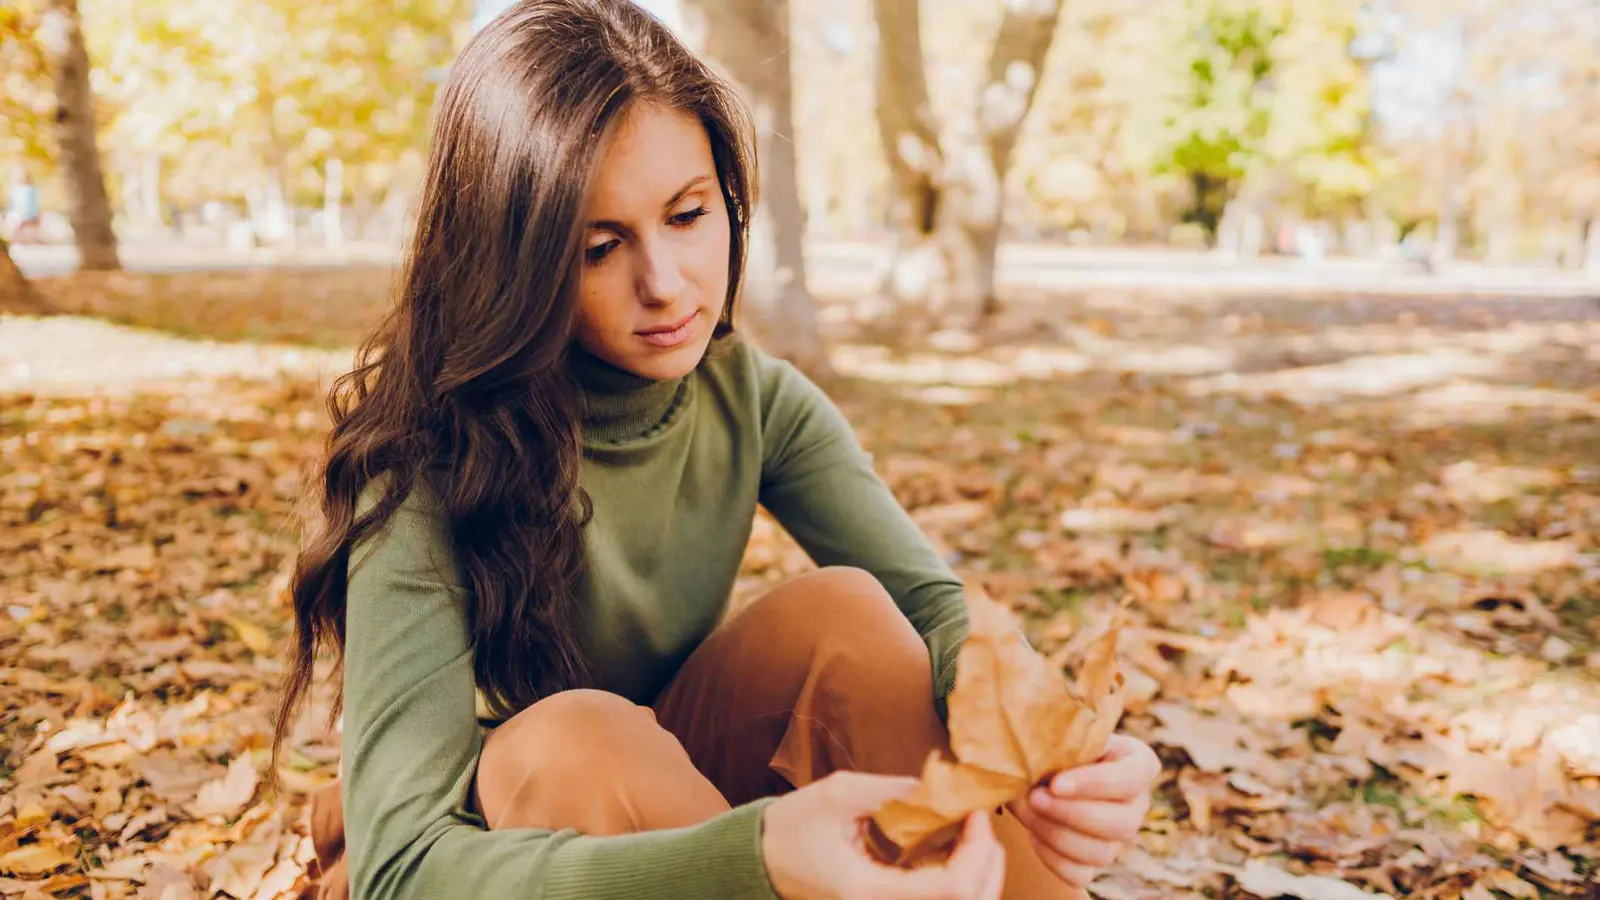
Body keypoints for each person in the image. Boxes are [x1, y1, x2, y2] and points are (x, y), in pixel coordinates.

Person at [271, 2, 1161, 899]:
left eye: (689, 215)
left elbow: (934, 612)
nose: (664, 284)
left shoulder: (751, 396)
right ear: (512, 263)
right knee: (573, 737)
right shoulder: (421, 457)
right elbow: (404, 865)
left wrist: (1063, 759)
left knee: (845, 616)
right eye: (599, 247)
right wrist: (756, 857)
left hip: (676, 796)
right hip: (493, 855)